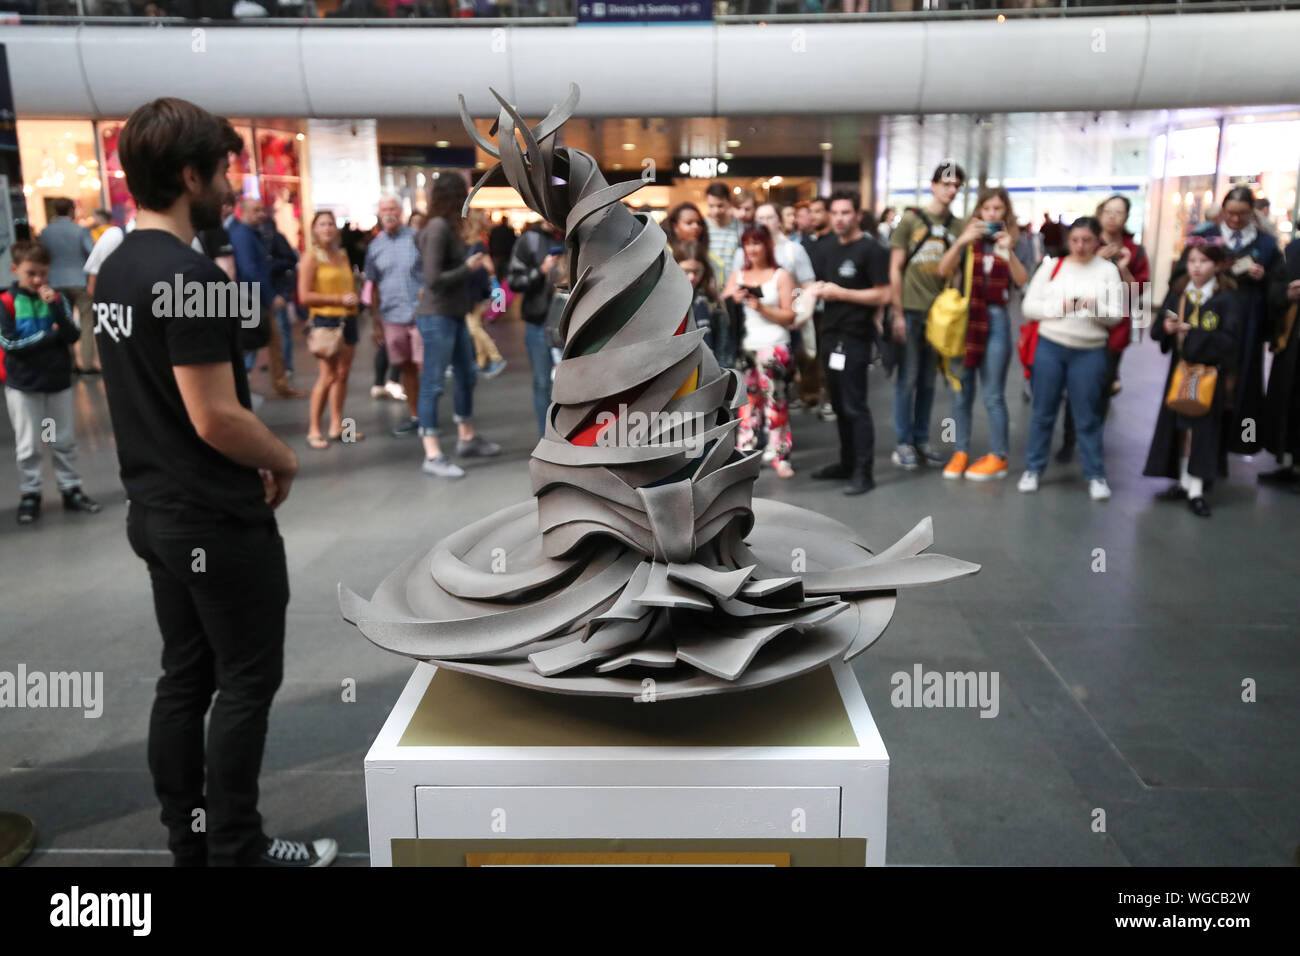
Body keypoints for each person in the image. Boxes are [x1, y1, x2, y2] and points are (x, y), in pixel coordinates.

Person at [93, 96, 334, 867]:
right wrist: (285, 456)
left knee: (184, 679)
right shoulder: (186, 275)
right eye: (225, 170)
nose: (234, 186)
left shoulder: (116, 268)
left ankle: (190, 843)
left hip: (156, 514)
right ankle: (239, 847)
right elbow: (215, 417)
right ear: (189, 174)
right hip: (214, 521)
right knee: (245, 682)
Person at [1017, 217, 1124, 501]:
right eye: (1075, 240)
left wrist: (1094, 307)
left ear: (1097, 240)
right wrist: (1060, 307)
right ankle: (1033, 469)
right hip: (1051, 346)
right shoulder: (1053, 266)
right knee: (1043, 411)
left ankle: (1095, 475)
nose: (1080, 246)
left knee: (1087, 415)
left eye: (1087, 240)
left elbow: (1115, 316)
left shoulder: (1107, 271)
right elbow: (1029, 306)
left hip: (1089, 350)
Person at [1180, 186, 1285, 458]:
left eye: (1243, 214)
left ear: (1253, 213)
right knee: (1206, 374)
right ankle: (1199, 438)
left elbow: (1279, 284)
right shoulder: (1205, 238)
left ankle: (1243, 438)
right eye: (1231, 213)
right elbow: (1182, 275)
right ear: (1222, 211)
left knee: (1245, 381)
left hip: (1249, 320)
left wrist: (1265, 278)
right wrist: (1218, 268)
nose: (1236, 220)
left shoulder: (1265, 243)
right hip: (1209, 317)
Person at [1, 240, 100, 524]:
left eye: (43, 273)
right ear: (15, 270)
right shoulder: (6, 303)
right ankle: (30, 493)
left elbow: (71, 335)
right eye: (31, 273)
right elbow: (11, 342)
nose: (38, 280)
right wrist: (50, 336)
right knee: (30, 444)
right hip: (24, 386)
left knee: (59, 438)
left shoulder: (57, 299)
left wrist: (56, 313)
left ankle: (70, 487)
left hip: (56, 384)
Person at [935, 187, 1028, 482]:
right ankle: (959, 450)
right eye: (986, 209)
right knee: (961, 392)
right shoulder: (968, 240)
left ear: (1005, 212)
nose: (991, 215)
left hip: (997, 318)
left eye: (997, 209)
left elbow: (1023, 280)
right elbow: (942, 269)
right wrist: (962, 240)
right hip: (967, 318)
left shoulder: (1015, 240)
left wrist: (1007, 250)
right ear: (978, 212)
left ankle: (998, 456)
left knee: (993, 395)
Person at [1143, 240, 1240, 518]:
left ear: (1218, 265)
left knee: (1203, 429)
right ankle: (1184, 481)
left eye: (1204, 261)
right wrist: (1167, 326)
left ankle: (1197, 487)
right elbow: (1158, 329)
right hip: (1181, 370)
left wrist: (1195, 333)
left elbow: (1230, 340)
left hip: (1209, 373)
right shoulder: (1179, 294)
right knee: (1181, 426)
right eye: (1192, 261)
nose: (1197, 267)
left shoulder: (1226, 299)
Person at [807, 189, 891, 495]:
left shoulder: (872, 250)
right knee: (840, 405)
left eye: (846, 213)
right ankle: (846, 463)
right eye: (835, 213)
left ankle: (863, 472)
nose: (840, 219)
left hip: (855, 338)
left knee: (855, 406)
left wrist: (841, 293)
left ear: (857, 215)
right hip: (830, 334)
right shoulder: (829, 248)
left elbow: (884, 294)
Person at [416, 173, 501, 477]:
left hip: (452, 313)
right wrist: (468, 267)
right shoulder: (437, 228)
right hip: (437, 315)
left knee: (467, 374)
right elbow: (433, 279)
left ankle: (466, 437)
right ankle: (432, 453)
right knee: (434, 383)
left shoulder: (445, 227)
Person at [1056, 194, 1151, 463]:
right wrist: (1092, 257)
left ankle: (1091, 440)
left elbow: (1139, 292)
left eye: (1119, 213)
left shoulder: (1135, 251)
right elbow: (1065, 278)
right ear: (1100, 213)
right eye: (1108, 211)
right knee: (1075, 386)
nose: (1112, 217)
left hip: (1115, 330)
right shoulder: (1084, 242)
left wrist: (1122, 269)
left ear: (1126, 217)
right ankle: (1068, 439)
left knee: (1101, 389)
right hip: (1081, 324)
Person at [888, 162, 966, 471]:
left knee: (929, 381)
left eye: (956, 185)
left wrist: (954, 305)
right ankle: (903, 441)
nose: (951, 190)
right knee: (907, 379)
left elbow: (957, 270)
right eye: (946, 183)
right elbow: (895, 267)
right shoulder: (911, 220)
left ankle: (921, 438)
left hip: (939, 316)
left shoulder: (957, 226)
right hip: (909, 310)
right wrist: (895, 312)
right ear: (933, 185)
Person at [723, 225, 797, 478]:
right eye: (748, 243)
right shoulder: (738, 275)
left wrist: (761, 307)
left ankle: (780, 455)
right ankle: (745, 452)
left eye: (757, 243)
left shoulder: (781, 275)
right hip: (746, 347)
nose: (752, 249)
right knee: (747, 404)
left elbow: (790, 315)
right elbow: (723, 306)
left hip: (775, 345)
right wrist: (733, 298)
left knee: (777, 402)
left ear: (768, 245)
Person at [300, 210, 361, 449]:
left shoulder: (342, 256)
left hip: (348, 320)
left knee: (343, 374)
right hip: (325, 321)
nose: (327, 228)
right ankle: (313, 429)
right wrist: (337, 299)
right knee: (326, 376)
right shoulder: (311, 258)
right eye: (322, 224)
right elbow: (304, 296)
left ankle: (337, 424)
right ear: (315, 229)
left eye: (330, 224)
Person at [364, 196, 424, 434]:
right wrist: (376, 322)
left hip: (420, 314)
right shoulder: (374, 247)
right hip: (391, 316)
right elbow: (372, 286)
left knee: (424, 366)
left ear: (400, 212)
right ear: (379, 213)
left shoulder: (416, 239)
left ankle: (428, 417)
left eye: (392, 209)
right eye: (384, 209)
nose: (388, 213)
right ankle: (416, 415)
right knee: (406, 367)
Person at [229, 198, 297, 398]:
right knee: (260, 342)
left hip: (255, 297)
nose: (261, 214)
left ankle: (280, 384)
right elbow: (251, 270)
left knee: (272, 340)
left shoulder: (251, 234)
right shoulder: (243, 235)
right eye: (256, 210)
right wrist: (270, 297)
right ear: (244, 212)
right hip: (252, 299)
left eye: (261, 210)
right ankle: (278, 384)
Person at [507, 217, 564, 435]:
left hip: (575, 324)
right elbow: (514, 281)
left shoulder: (576, 234)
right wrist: (541, 271)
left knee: (576, 384)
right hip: (540, 322)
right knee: (543, 384)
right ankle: (547, 437)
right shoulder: (530, 240)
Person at [1259, 232, 1300, 488]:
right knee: (1290, 402)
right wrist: (1287, 294)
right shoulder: (1294, 250)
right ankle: (1293, 465)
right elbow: (1275, 289)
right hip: (1293, 341)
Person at [38, 197, 96, 374]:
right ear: (72, 210)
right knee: (87, 322)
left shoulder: (46, 232)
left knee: (62, 321)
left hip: (55, 282)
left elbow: (42, 256)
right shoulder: (80, 230)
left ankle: (69, 363)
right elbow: (92, 253)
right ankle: (86, 364)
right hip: (79, 280)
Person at [258, 206, 301, 386]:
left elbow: (290, 260)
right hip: (259, 291)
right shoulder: (249, 237)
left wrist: (270, 265)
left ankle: (285, 366)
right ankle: (276, 365)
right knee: (261, 330)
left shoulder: (274, 237)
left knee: (281, 329)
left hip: (275, 290)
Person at [464, 209, 507, 379]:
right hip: (475, 292)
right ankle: (481, 362)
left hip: (476, 293)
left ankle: (496, 357)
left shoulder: (477, 244)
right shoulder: (477, 242)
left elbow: (490, 268)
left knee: (473, 328)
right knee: (476, 326)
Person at [705, 182, 743, 367]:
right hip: (708, 298)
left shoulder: (739, 228)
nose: (716, 210)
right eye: (711, 206)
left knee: (729, 350)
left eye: (720, 205)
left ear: (729, 203)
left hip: (732, 298)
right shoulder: (702, 227)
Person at [673, 239, 724, 361]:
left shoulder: (712, 300)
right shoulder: (665, 298)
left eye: (696, 272)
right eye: (686, 271)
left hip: (709, 364)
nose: (692, 277)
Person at [487, 212, 516, 285]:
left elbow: (490, 241)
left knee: (496, 274)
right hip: (506, 255)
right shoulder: (509, 230)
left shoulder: (495, 230)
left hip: (496, 255)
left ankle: (497, 290)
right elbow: (513, 243)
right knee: (504, 275)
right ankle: (503, 290)